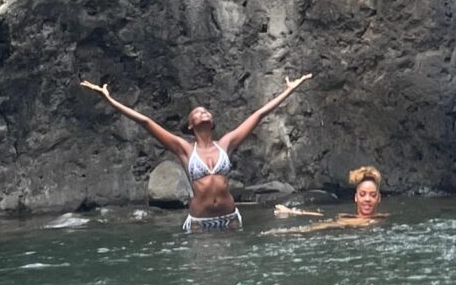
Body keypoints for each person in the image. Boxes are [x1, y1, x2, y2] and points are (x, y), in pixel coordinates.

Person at [79, 73, 312, 231]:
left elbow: (259, 115)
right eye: (198, 111)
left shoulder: (226, 144)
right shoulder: (184, 150)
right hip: (200, 222)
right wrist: (109, 100)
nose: (203, 112)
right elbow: (146, 122)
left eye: (206, 111)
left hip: (230, 219)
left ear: (212, 122)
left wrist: (288, 91)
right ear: (190, 124)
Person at [271, 166, 386, 233]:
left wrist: (291, 231)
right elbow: (324, 216)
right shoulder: (348, 217)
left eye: (372, 195)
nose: (367, 199)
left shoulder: (378, 220)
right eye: (362, 194)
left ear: (379, 198)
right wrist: (292, 212)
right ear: (356, 197)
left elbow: (331, 223)